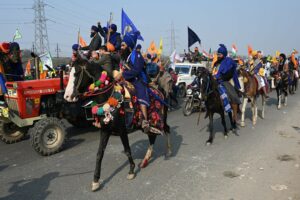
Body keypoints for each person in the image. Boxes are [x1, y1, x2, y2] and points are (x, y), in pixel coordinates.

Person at [118, 32, 150, 132]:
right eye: (121, 45)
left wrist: (123, 75)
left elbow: (136, 70)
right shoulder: (125, 57)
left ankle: (145, 120)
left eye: (123, 45)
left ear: (129, 46)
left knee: (141, 93)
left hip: (138, 80)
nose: (121, 47)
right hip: (127, 79)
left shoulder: (137, 55)